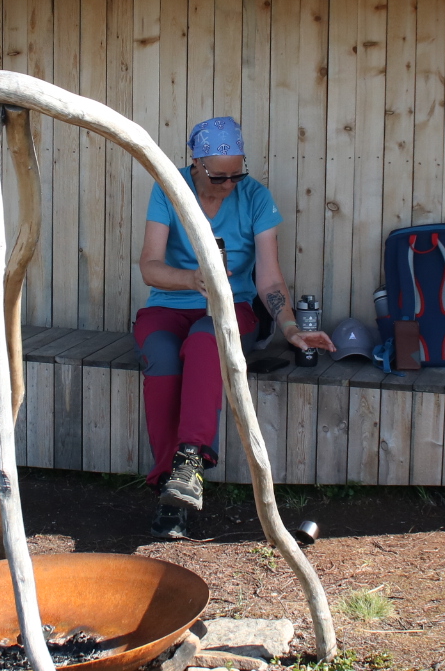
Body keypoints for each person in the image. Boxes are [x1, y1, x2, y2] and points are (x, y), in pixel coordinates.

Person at [135, 116, 334, 538]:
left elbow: (270, 279)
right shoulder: (168, 188)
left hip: (231, 307)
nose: (229, 184)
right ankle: (168, 495)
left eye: (236, 173)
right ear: (196, 162)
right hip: (169, 303)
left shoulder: (256, 198)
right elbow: (150, 268)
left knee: (206, 344)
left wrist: (290, 327)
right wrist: (193, 279)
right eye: (219, 175)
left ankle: (188, 463)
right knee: (162, 358)